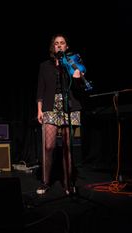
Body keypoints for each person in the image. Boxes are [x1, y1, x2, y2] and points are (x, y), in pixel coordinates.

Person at [36, 33, 89, 195]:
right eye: (56, 43)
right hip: (50, 106)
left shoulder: (72, 64)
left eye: (62, 43)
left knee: (67, 147)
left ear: (66, 47)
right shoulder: (45, 66)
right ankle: (45, 182)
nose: (59, 45)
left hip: (69, 105)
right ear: (53, 47)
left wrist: (79, 77)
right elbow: (41, 88)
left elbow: (81, 89)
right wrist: (39, 109)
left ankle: (68, 184)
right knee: (49, 145)